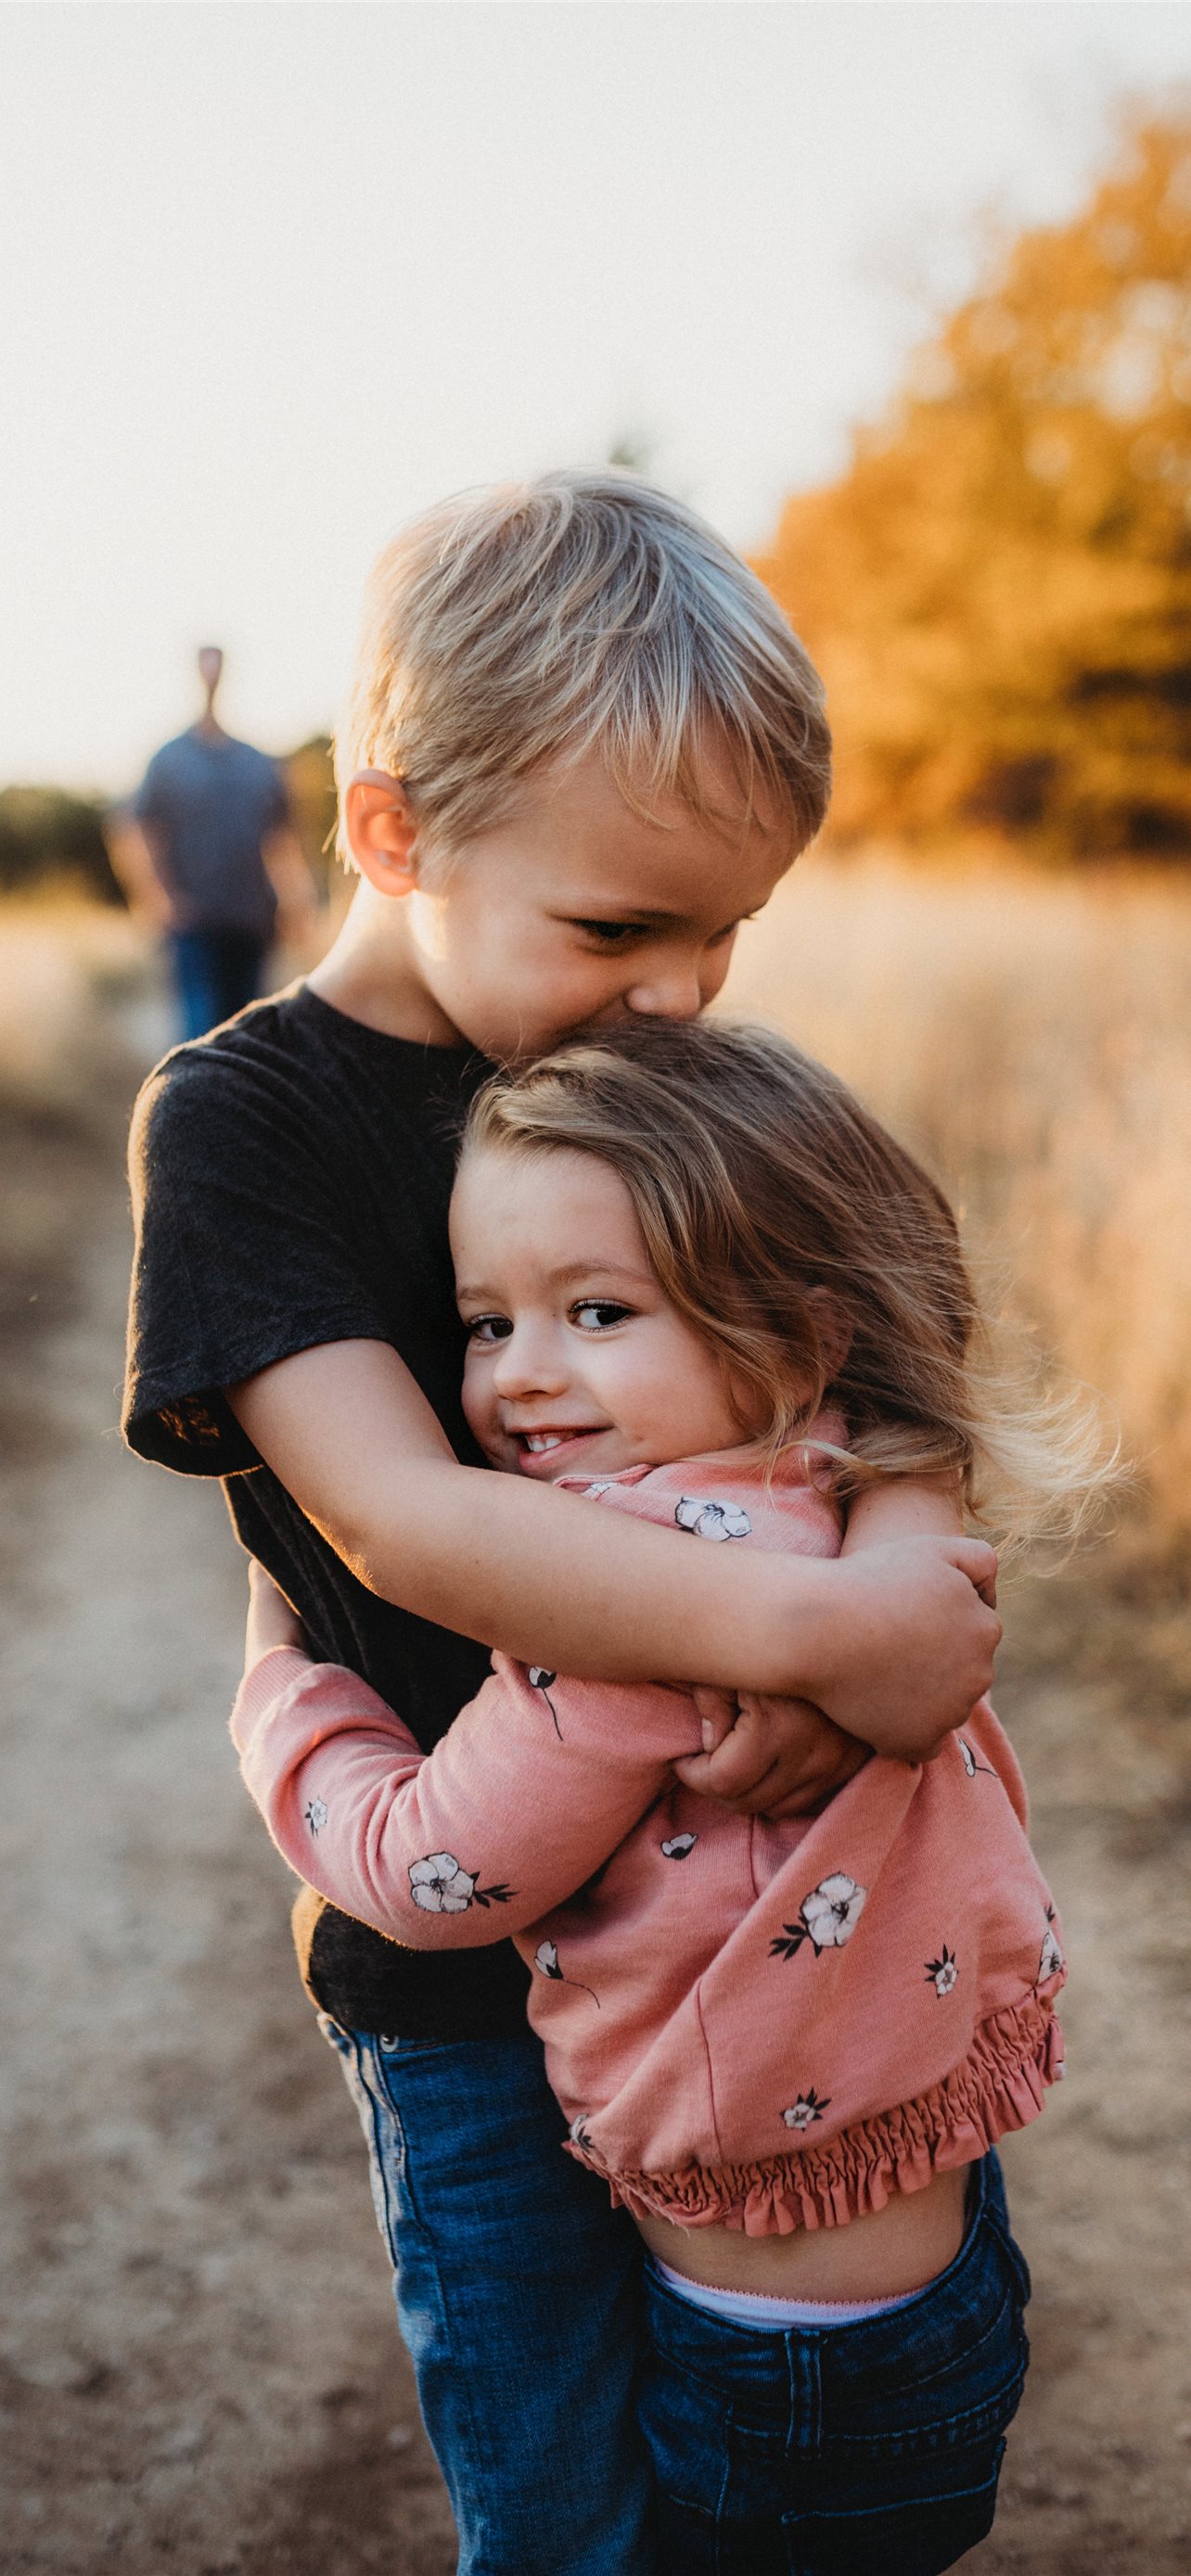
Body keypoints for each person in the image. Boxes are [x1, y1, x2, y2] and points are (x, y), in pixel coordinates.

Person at [122, 474, 1003, 2576]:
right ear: (393, 829)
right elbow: (403, 1511)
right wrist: (796, 1639)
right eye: (620, 925)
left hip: (786, 1923)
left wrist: (896, 1558)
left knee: (823, 2419)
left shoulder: (674, 1074)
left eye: (727, 929)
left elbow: (893, 1328)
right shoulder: (248, 1116)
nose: (682, 987)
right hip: (464, 1976)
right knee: (561, 2489)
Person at [232, 1016, 1099, 2574]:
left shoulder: (628, 1618)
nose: (521, 1375)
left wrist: (283, 1684)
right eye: (485, 1322)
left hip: (777, 2365)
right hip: (937, 2272)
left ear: (796, 1333)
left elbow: (425, 1868)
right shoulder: (832, 1483)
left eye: (596, 1311)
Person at [118, 645, 313, 1039]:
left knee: (245, 1034)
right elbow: (135, 829)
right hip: (194, 924)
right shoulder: (169, 760)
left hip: (251, 919)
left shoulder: (256, 762)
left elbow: (282, 840)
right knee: (201, 1034)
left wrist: (297, 905)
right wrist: (158, 899)